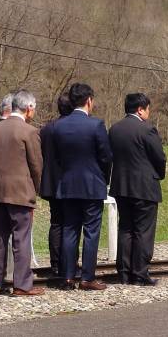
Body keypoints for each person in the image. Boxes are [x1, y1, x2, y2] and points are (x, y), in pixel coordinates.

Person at [53, 83, 112, 291]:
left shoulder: (58, 126)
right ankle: (87, 278)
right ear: (89, 100)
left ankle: (68, 277)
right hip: (92, 185)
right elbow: (106, 157)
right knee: (91, 232)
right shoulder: (96, 125)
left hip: (67, 185)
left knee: (69, 230)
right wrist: (103, 178)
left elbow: (57, 157)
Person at [0, 89, 43, 296]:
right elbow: (36, 166)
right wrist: (34, 192)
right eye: (34, 108)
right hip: (20, 193)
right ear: (28, 108)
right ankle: (21, 285)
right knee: (21, 238)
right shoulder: (30, 132)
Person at [108, 93, 166, 286]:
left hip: (121, 186)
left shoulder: (114, 129)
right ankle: (140, 273)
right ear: (140, 109)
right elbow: (159, 157)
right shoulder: (147, 130)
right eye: (148, 109)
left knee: (125, 228)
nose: (149, 113)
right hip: (144, 187)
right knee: (143, 231)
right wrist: (158, 174)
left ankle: (124, 273)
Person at [39, 93, 74, 277]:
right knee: (70, 224)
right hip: (70, 183)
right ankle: (68, 263)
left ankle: (55, 264)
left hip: (51, 183)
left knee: (56, 223)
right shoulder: (73, 128)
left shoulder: (46, 129)